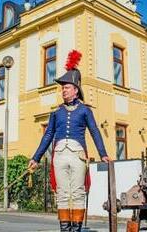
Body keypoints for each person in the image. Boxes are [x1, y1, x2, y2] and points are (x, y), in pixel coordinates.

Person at [28, 50, 110, 232]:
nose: (63, 90)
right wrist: (36, 158)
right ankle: (65, 229)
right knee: (63, 194)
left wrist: (103, 154)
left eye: (66, 87)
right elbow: (47, 136)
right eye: (62, 88)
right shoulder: (56, 112)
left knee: (78, 192)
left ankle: (76, 228)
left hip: (78, 155)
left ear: (75, 90)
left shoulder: (85, 110)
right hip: (59, 156)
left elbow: (95, 131)